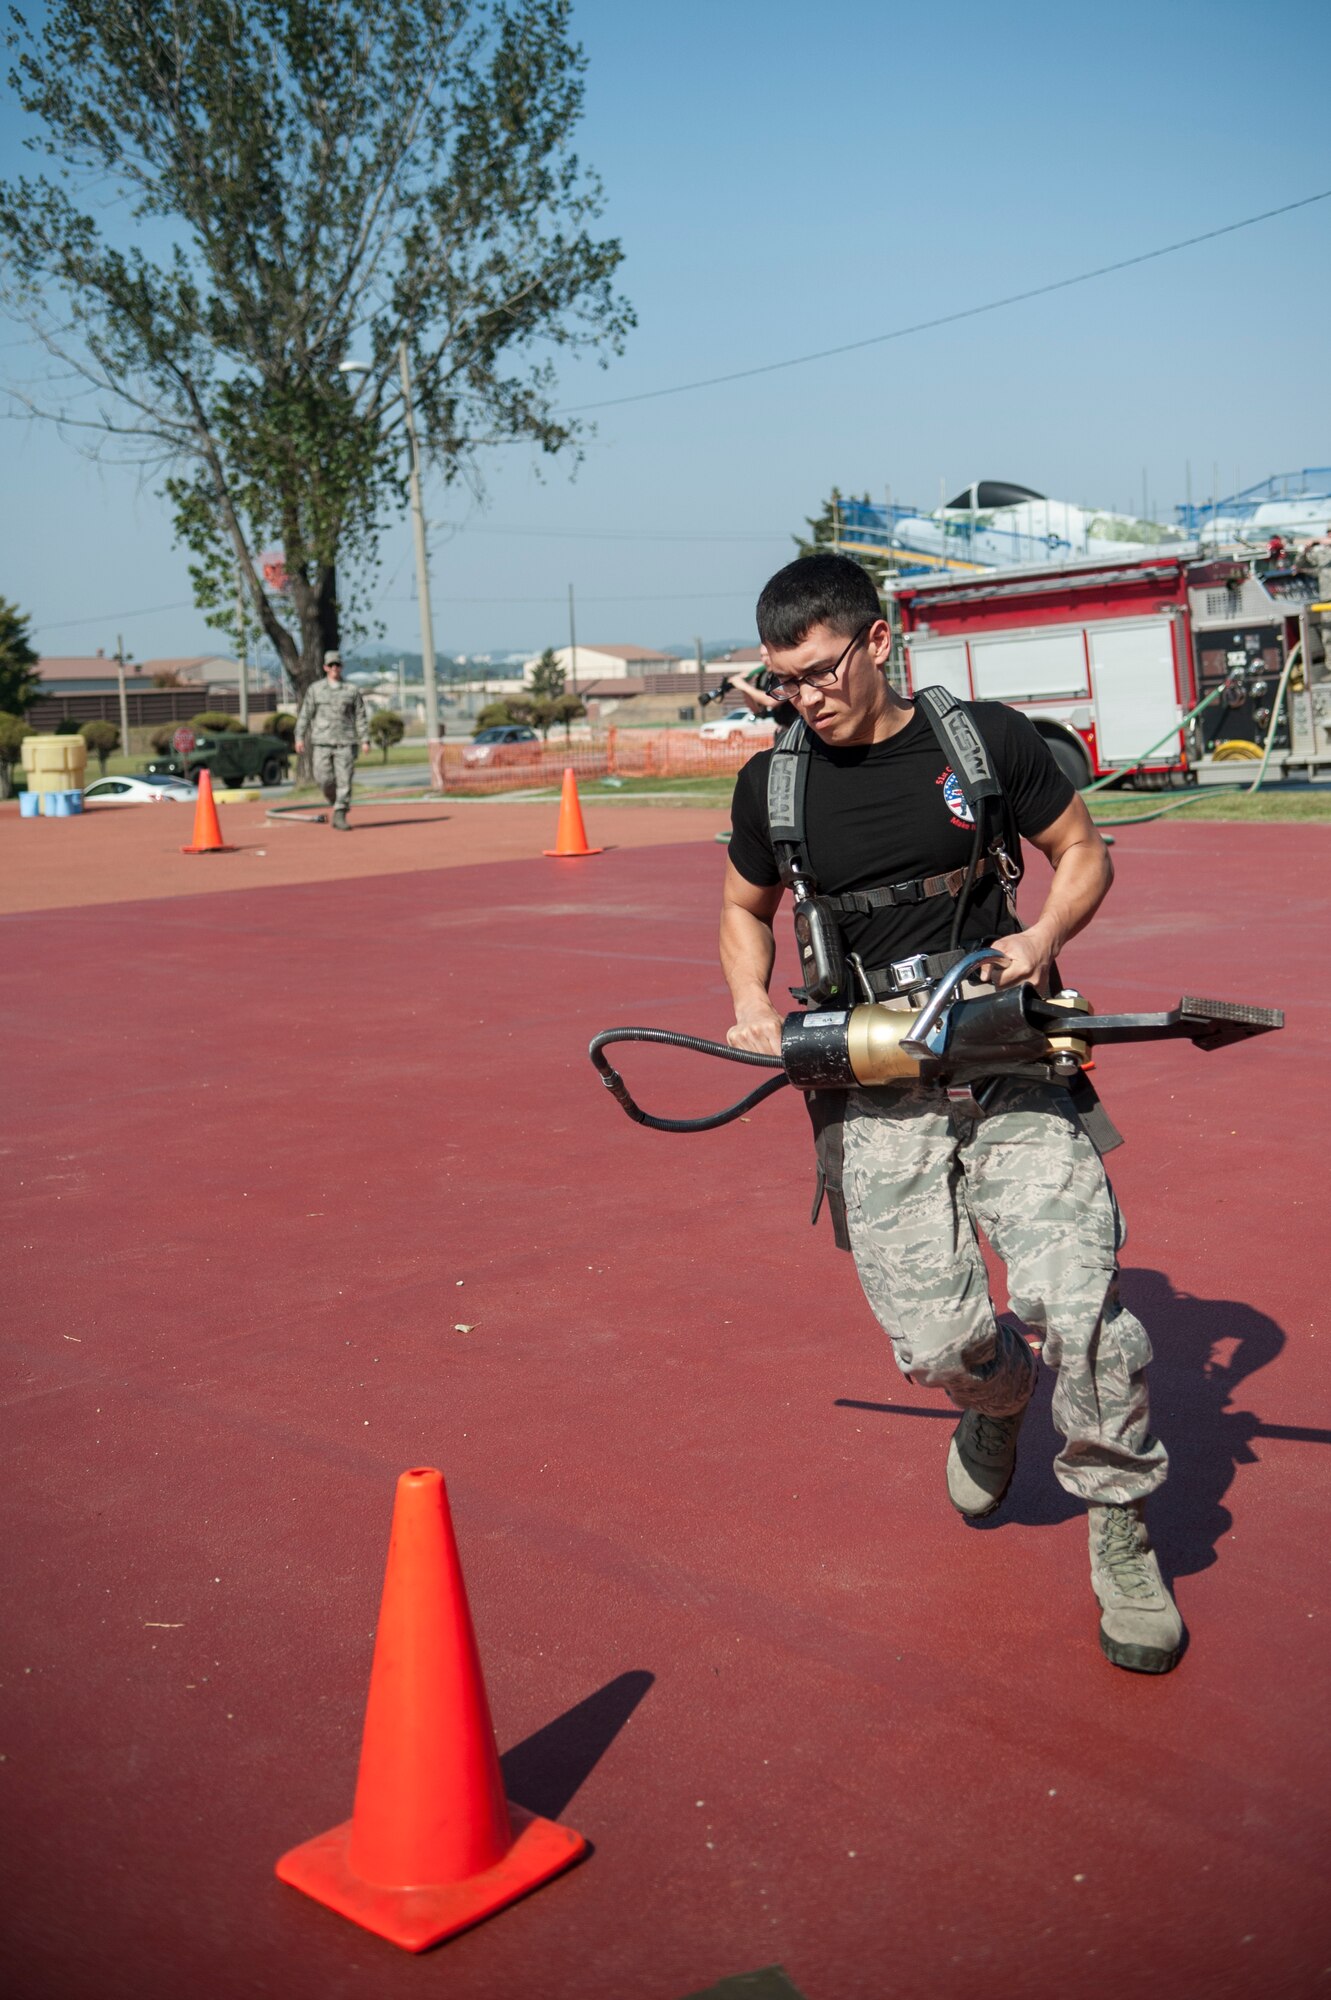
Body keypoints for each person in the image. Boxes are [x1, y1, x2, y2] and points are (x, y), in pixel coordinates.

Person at [720, 553, 1182, 1675]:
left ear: (876, 641)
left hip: (1005, 1058)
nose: (803, 697)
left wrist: (1036, 942)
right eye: (783, 680)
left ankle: (1116, 1527)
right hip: (870, 1084)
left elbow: (1082, 850)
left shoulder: (984, 745)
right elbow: (743, 908)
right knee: (936, 1342)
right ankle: (995, 1396)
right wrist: (745, 1000)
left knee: (1079, 1307)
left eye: (820, 670)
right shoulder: (771, 786)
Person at [294, 651, 371, 830]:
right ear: (325, 668)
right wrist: (299, 736)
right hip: (322, 742)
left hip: (346, 742)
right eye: (331, 665)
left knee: (344, 780)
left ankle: (340, 813)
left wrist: (365, 739)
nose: (334, 668)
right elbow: (305, 714)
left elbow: (360, 716)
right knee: (323, 779)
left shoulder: (351, 690)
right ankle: (335, 801)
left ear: (341, 667)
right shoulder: (316, 690)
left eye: (337, 665)